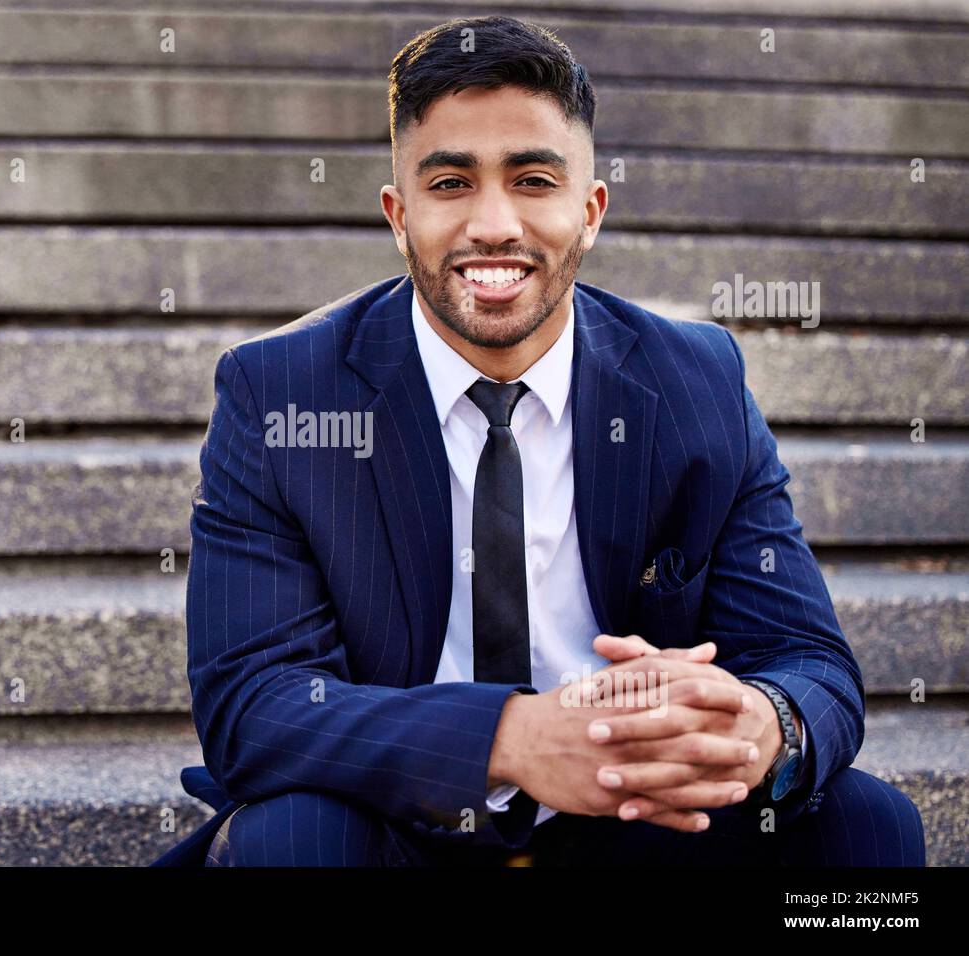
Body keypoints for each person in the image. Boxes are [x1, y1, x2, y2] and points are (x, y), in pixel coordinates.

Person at [150, 15, 924, 867]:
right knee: (291, 841)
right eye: (449, 183)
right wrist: (509, 738)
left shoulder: (695, 380)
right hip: (397, 820)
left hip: (636, 820)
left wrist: (762, 722)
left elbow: (810, 662)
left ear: (589, 211)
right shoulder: (280, 393)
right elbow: (252, 705)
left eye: (533, 179)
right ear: (398, 214)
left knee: (866, 825)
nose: (494, 224)